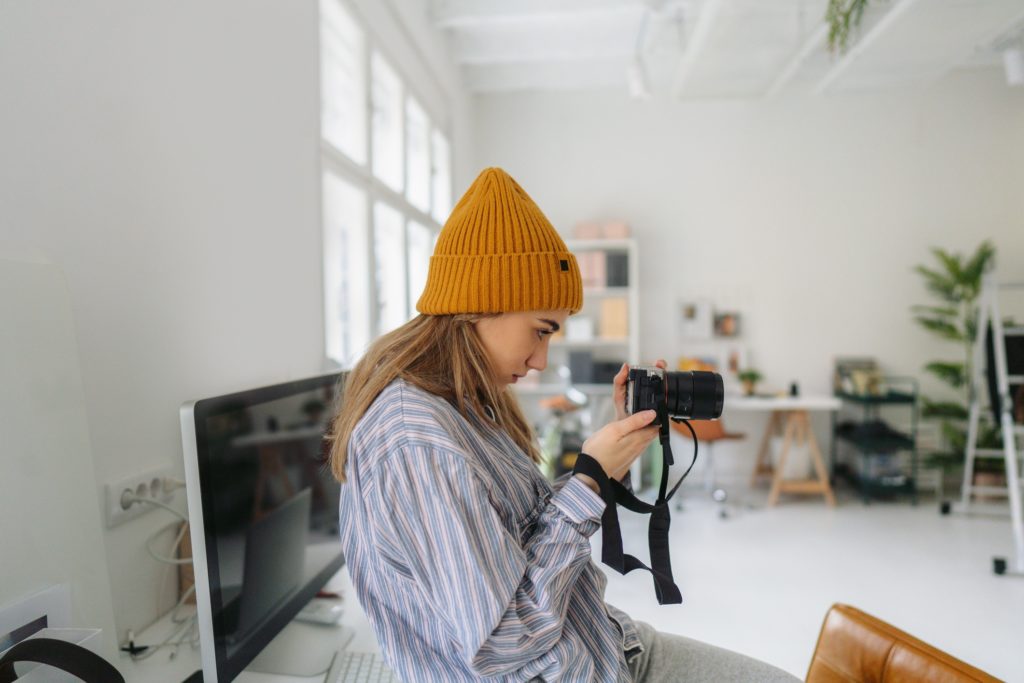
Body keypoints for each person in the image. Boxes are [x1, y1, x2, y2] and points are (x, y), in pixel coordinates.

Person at [328, 167, 797, 682]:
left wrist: (606, 466)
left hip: (606, 645)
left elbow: (517, 532)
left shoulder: (461, 408)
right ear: (481, 304)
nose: (541, 361)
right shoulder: (417, 441)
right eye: (540, 330)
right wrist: (589, 481)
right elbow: (506, 642)